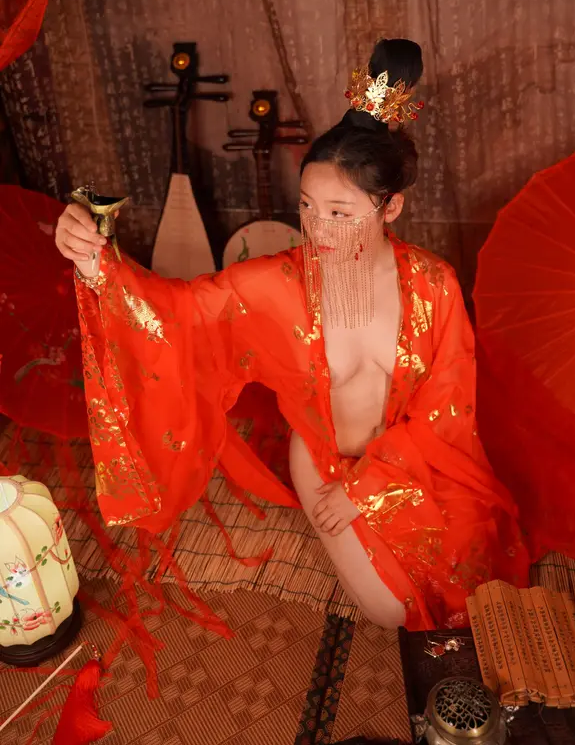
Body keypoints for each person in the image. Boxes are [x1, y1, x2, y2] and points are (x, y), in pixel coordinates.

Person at [55, 39, 529, 631]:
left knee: (479, 578)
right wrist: (95, 261)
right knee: (395, 610)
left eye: (340, 213)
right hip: (325, 458)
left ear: (391, 208)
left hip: (414, 457)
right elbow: (179, 314)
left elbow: (446, 410)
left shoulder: (435, 285)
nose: (318, 230)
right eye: (308, 207)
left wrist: (367, 488)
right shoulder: (279, 284)